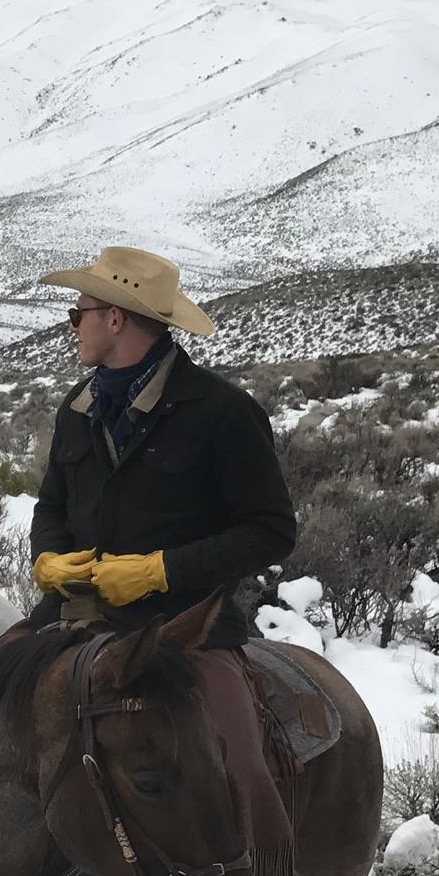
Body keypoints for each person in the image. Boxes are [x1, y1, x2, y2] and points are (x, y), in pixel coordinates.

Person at [28, 245, 294, 632]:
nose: (72, 326)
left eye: (77, 314)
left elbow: (271, 531)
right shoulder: (77, 406)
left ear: (115, 319)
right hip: (70, 616)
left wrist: (160, 572)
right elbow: (52, 505)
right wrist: (47, 559)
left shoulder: (223, 410)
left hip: (182, 630)